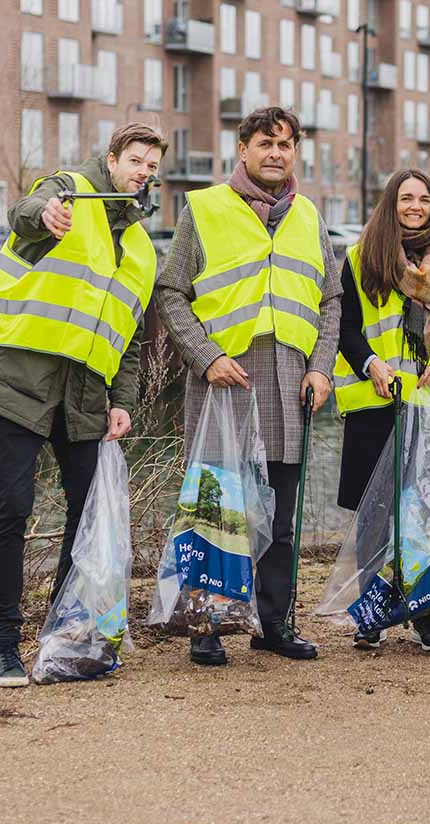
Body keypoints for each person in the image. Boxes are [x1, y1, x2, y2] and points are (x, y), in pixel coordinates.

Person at [0, 123, 165, 687]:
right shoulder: (70, 193)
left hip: (84, 397)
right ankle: (4, 642)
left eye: (152, 166)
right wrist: (46, 213)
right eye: (136, 160)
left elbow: (130, 338)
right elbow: (27, 212)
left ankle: (60, 629)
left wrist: (122, 402)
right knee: (13, 507)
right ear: (112, 159)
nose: (144, 171)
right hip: (20, 379)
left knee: (85, 514)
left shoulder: (144, 249)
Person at [156, 106, 341, 666]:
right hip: (225, 380)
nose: (276, 153)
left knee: (282, 516)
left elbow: (330, 299)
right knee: (218, 507)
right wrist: (205, 356)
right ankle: (206, 625)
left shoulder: (308, 215)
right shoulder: (204, 207)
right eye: (265, 142)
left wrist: (322, 367)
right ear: (243, 149)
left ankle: (274, 622)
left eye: (286, 144)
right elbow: (170, 293)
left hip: (291, 381)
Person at [334, 169, 430, 652]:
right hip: (377, 403)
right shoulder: (360, 260)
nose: (415, 206)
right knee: (374, 519)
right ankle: (372, 614)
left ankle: (424, 613)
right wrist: (369, 363)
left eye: (424, 199)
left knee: (426, 514)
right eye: (406, 198)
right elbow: (346, 326)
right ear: (391, 203)